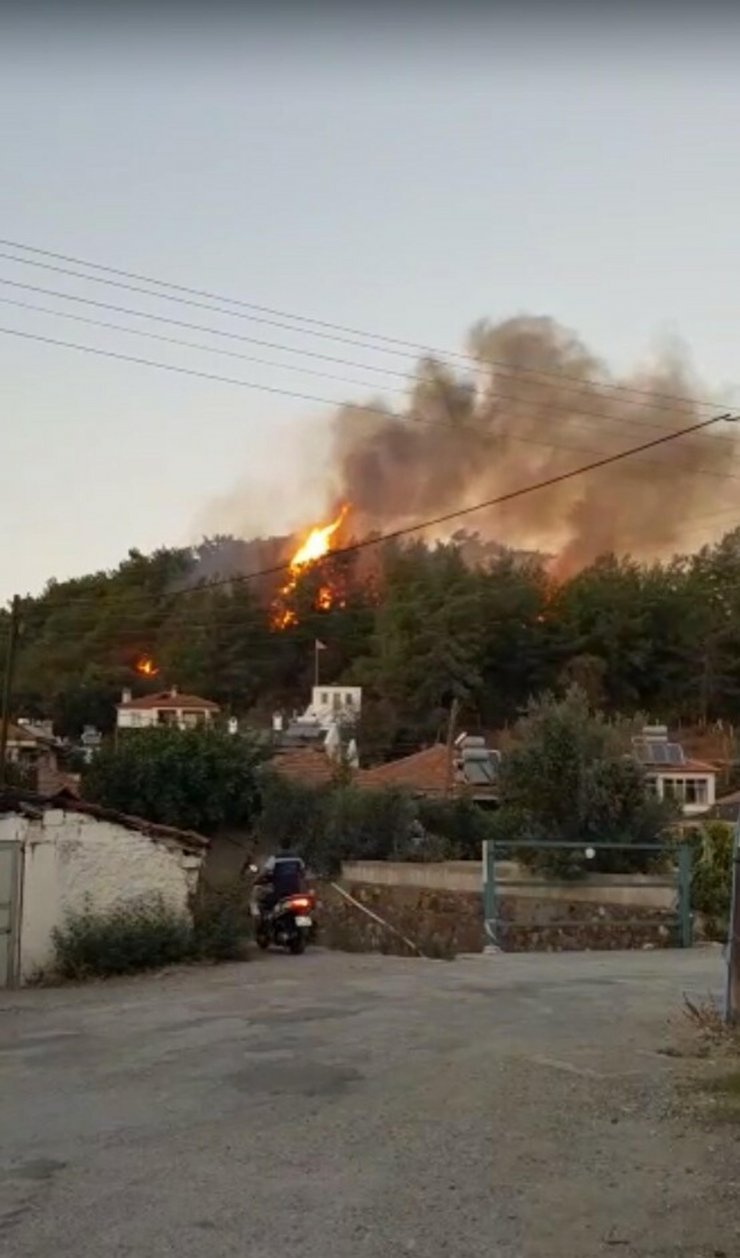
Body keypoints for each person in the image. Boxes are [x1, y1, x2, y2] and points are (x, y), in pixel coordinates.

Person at [254, 839, 306, 914]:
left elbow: (263, 873)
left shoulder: (275, 858)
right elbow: (303, 875)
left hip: (279, 892)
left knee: (264, 903)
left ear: (279, 847)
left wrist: (255, 880)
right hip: (294, 892)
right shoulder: (298, 859)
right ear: (291, 847)